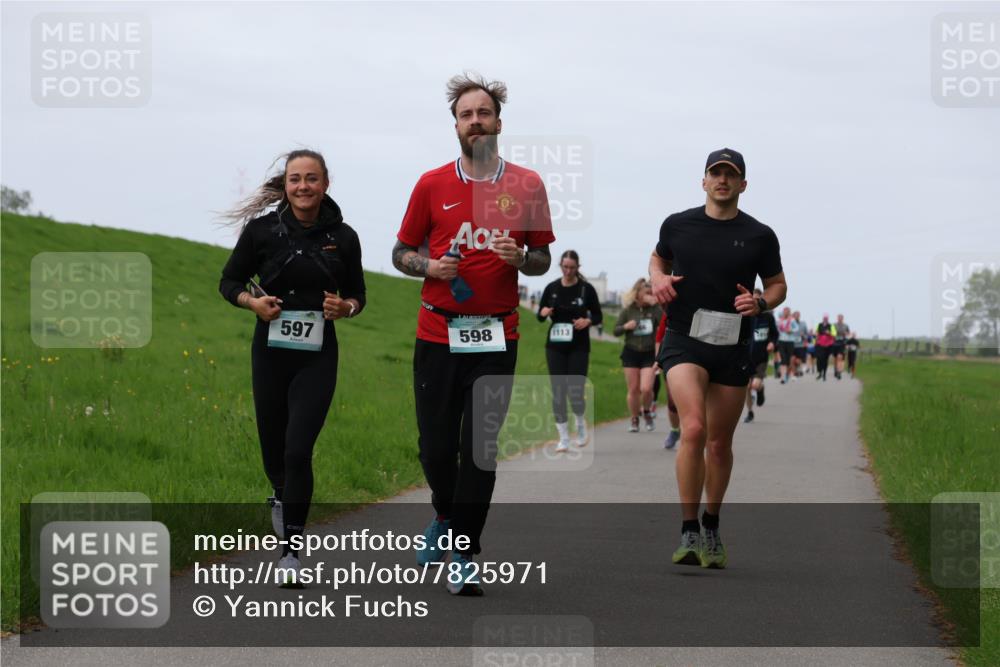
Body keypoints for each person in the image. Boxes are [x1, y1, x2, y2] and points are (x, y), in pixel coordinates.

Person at [391, 73, 554, 596]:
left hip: (496, 336)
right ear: (456, 126)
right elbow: (399, 254)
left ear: (498, 122)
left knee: (479, 448)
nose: (476, 122)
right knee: (435, 448)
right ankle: (444, 515)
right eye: (467, 115)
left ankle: (465, 550)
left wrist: (523, 258)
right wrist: (429, 267)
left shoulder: (527, 185)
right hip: (438, 333)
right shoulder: (431, 183)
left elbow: (543, 258)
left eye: (484, 113)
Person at [219, 149, 366, 586]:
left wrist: (347, 308)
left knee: (298, 448)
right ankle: (281, 497)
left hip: (318, 355)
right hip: (270, 351)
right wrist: (252, 302)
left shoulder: (344, 236)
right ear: (285, 185)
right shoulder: (261, 231)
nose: (304, 186)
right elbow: (228, 282)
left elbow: (358, 293)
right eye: (295, 179)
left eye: (312, 179)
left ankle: (292, 551)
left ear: (326, 184)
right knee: (274, 451)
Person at [649, 148, 786, 569]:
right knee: (693, 427)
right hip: (684, 340)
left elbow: (778, 285)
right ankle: (688, 528)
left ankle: (711, 524)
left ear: (743, 184)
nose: (722, 180)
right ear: (703, 181)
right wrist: (657, 278)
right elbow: (659, 257)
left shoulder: (760, 235)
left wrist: (761, 303)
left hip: (732, 346)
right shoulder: (678, 224)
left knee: (719, 443)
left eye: (731, 174)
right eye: (715, 173)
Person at [537, 250, 603, 451]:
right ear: (560, 266)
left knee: (575, 390)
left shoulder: (586, 289)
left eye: (572, 268)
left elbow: (598, 316)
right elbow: (540, 315)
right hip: (555, 345)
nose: (568, 271)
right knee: (558, 391)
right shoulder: (552, 288)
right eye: (565, 267)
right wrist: (544, 312)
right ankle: (563, 437)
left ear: (578, 268)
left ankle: (580, 425)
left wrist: (588, 321)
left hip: (579, 345)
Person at [613, 279, 663, 433]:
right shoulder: (628, 310)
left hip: (648, 353)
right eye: (646, 293)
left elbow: (663, 322)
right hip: (631, 352)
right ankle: (634, 419)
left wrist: (655, 304)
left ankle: (646, 411)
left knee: (646, 388)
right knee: (633, 389)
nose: (649, 295)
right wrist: (626, 327)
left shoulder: (654, 309)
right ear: (638, 293)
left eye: (651, 293)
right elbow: (616, 331)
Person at [744, 288, 778, 423]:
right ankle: (750, 412)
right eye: (752, 299)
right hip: (746, 357)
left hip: (761, 357)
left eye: (757, 300)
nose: (754, 302)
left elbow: (775, 334)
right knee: (746, 387)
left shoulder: (768, 317)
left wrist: (772, 343)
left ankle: (761, 389)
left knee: (755, 385)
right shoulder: (745, 316)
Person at [654, 311, 682, 448]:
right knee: (673, 401)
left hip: (700, 357)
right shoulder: (672, 309)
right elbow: (659, 337)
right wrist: (658, 360)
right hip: (673, 357)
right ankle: (675, 430)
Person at [776, 306, 799, 384]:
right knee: (783, 359)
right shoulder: (779, 321)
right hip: (781, 341)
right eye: (784, 311)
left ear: (789, 312)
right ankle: (783, 377)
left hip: (790, 341)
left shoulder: (792, 320)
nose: (785, 313)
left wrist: (791, 330)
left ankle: (791, 374)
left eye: (787, 311)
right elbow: (777, 329)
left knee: (790, 359)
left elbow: (797, 328)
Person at [815, 314, 835, 381]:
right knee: (819, 358)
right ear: (823, 318)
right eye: (824, 318)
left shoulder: (831, 325)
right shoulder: (819, 325)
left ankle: (824, 374)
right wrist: (816, 337)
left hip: (828, 345)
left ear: (828, 319)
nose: (825, 319)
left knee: (825, 360)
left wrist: (829, 333)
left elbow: (834, 334)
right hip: (819, 344)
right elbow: (816, 332)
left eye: (826, 318)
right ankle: (820, 372)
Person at [833, 314, 850, 380]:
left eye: (841, 318)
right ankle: (835, 369)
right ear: (837, 318)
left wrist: (846, 334)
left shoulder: (846, 325)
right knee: (835, 358)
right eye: (839, 318)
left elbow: (848, 333)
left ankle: (839, 371)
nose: (840, 319)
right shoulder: (834, 325)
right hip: (835, 343)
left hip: (842, 343)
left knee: (839, 357)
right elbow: (831, 333)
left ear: (843, 318)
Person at [793, 311, 807, 376]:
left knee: (798, 359)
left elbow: (807, 335)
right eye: (795, 315)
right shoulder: (791, 324)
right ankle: (796, 370)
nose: (796, 317)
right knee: (793, 359)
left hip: (800, 345)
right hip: (792, 344)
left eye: (798, 315)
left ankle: (798, 370)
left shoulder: (803, 324)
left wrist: (803, 336)